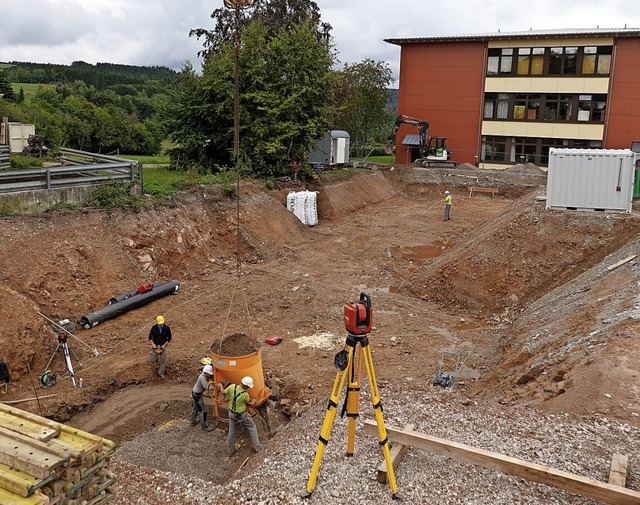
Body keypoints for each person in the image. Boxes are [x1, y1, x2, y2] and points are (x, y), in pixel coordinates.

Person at [216, 376, 261, 457]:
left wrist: (220, 387)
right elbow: (249, 403)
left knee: (232, 431)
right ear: (247, 386)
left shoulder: (232, 386)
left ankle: (230, 451)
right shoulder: (245, 394)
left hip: (231, 414)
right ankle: (258, 448)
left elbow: (223, 392)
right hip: (242, 415)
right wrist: (253, 401)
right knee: (252, 427)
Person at [191, 364, 214, 431]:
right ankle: (204, 426)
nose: (210, 375)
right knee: (203, 411)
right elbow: (208, 388)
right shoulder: (202, 378)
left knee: (195, 408)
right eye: (209, 374)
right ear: (206, 373)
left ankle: (193, 421)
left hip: (194, 393)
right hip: (197, 395)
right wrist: (217, 387)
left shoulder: (205, 375)